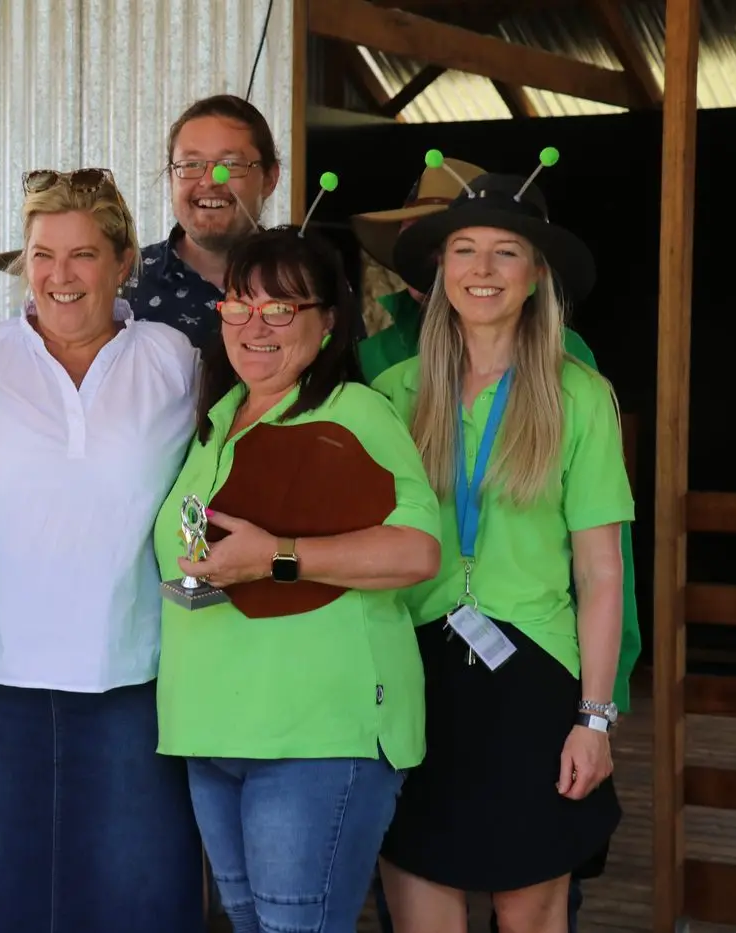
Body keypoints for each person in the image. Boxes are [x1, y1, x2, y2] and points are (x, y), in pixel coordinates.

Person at [0, 167, 205, 933]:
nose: (59, 276)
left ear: (123, 261)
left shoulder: (173, 360)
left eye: (82, 255)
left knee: (133, 895)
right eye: (42, 255)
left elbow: (212, 484)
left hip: (130, 673)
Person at [352, 158, 642, 933]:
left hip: (533, 678)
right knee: (420, 905)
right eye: (463, 250)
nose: (481, 269)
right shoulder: (390, 395)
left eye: (504, 251)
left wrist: (594, 718)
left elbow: (600, 570)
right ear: (439, 268)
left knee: (530, 911)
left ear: (535, 273)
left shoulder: (579, 395)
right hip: (410, 674)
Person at [153, 226, 441, 933]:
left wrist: (279, 557)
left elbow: (416, 552)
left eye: (281, 309)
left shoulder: (353, 412)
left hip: (316, 732)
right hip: (212, 726)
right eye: (239, 305)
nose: (255, 326)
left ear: (328, 321)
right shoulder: (216, 418)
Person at [0, 94, 281, 354]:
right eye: (190, 165)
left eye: (230, 164)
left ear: (270, 178)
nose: (209, 180)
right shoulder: (120, 284)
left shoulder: (300, 281)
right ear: (171, 177)